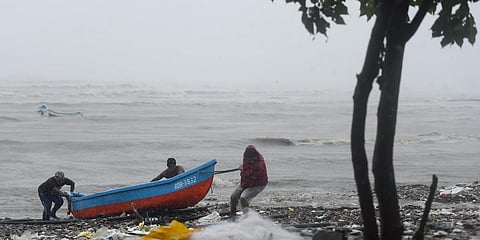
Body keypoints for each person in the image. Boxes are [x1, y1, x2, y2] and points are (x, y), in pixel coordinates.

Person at [230, 145, 268, 217]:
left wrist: (243, 170)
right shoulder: (246, 154)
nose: (250, 161)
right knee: (233, 196)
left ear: (255, 157)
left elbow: (253, 177)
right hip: (246, 181)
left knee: (243, 198)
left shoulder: (260, 165)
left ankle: (247, 218)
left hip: (258, 184)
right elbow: (246, 169)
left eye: (252, 159)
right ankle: (232, 215)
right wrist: (243, 168)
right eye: (248, 159)